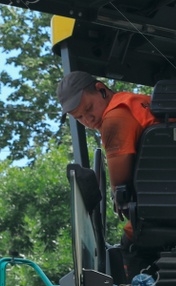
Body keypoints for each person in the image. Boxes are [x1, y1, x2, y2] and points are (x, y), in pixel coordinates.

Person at [56, 70, 156, 200]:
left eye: (88, 108)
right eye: (79, 117)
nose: (88, 119)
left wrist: (116, 196)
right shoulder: (141, 102)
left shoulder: (114, 118)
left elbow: (121, 191)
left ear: (101, 89)